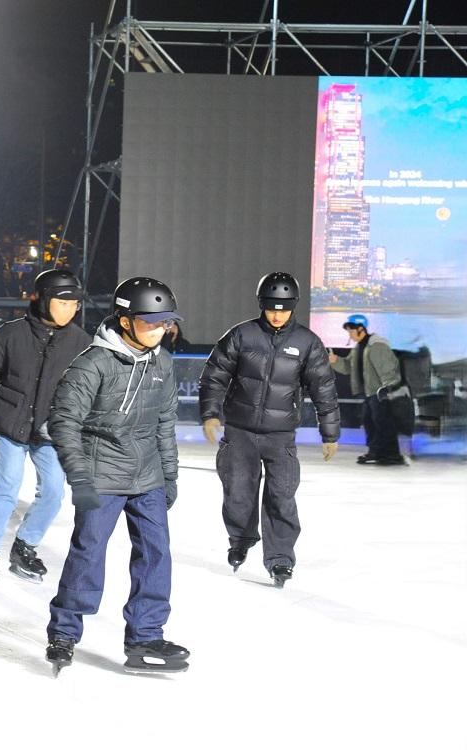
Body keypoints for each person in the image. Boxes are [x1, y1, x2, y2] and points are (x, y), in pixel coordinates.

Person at [45, 276, 189, 674]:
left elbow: (164, 422)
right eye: (152, 321)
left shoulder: (162, 361)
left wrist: (170, 476)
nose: (161, 329)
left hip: (148, 477)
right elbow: (62, 419)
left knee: (156, 554)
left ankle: (145, 636)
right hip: (101, 474)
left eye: (166, 322)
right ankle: (65, 632)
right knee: (88, 553)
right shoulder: (94, 362)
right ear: (126, 321)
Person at [200, 272, 341, 586]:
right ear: (262, 305)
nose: (277, 315)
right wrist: (210, 414)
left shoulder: (307, 343)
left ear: (293, 307)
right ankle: (241, 537)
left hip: (280, 436)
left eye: (284, 309)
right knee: (238, 491)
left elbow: (324, 390)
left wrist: (329, 432)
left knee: (281, 496)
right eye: (272, 308)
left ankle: (280, 559)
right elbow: (214, 377)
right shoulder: (241, 335)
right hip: (239, 431)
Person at [0, 269, 90, 586]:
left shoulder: (81, 342)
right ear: (44, 300)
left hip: (51, 433)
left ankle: (25, 546)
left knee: (53, 492)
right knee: (6, 490)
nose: (70, 309)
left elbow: (89, 392)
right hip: (12, 427)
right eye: (63, 302)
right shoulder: (11, 334)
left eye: (75, 304)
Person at [329, 314, 405, 466]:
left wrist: (387, 388)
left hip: (380, 393)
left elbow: (388, 369)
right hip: (370, 393)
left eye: (351, 331)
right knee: (370, 421)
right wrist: (335, 361)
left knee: (382, 422)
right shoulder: (359, 348)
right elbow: (347, 367)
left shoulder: (376, 345)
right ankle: (376, 452)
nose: (350, 334)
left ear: (361, 329)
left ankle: (391, 454)